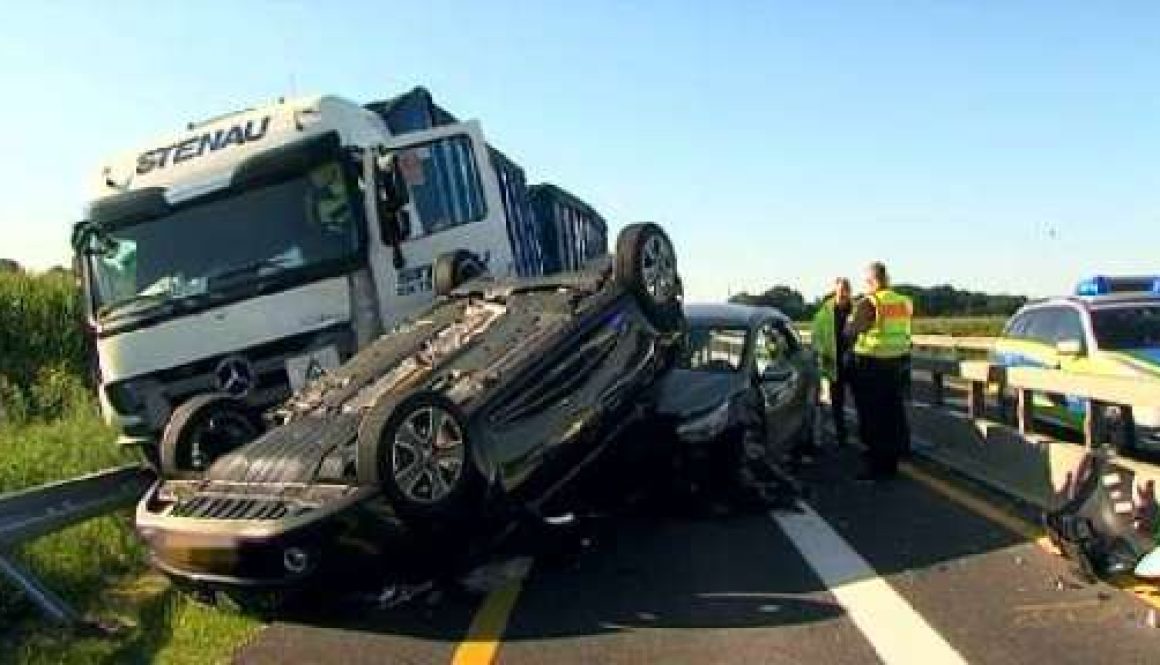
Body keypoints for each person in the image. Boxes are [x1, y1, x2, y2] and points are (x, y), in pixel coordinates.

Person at [846, 261, 913, 481]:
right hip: (897, 364)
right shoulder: (903, 302)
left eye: (866, 282)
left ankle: (875, 465)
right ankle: (891, 463)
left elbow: (852, 332)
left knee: (871, 418)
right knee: (891, 415)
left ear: (873, 281)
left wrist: (849, 324)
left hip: (871, 365)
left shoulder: (870, 302)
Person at [811, 277, 854, 447]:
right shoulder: (823, 314)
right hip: (834, 363)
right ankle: (842, 436)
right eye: (840, 289)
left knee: (863, 402)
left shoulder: (857, 310)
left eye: (846, 289)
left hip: (855, 362)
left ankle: (867, 437)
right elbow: (816, 338)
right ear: (835, 290)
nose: (843, 293)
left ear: (849, 291)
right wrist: (822, 354)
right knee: (837, 403)